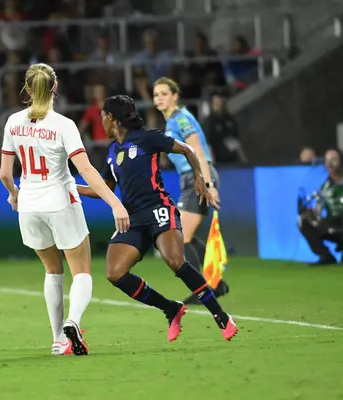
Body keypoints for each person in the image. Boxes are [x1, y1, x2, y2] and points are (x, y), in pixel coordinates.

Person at [77, 95, 238, 342]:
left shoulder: (147, 138)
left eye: (103, 118)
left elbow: (188, 149)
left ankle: (221, 316)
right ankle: (170, 308)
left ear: (112, 118)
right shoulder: (112, 152)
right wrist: (71, 188)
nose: (102, 124)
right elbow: (103, 190)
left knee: (174, 260)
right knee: (114, 272)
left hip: (158, 210)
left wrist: (199, 179)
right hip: (132, 219)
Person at [0, 63, 129, 356]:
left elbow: (5, 173)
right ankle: (74, 322)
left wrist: (14, 195)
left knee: (51, 271)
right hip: (60, 202)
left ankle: (58, 339)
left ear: (28, 89)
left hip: (29, 205)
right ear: (55, 88)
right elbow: (86, 170)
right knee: (81, 271)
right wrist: (115, 202)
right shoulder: (63, 126)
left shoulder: (12, 122)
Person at [153, 77, 230, 305]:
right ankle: (215, 283)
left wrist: (208, 184)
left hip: (197, 177)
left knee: (180, 235)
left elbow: (196, 149)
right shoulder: (171, 123)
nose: (159, 98)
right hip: (191, 178)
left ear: (175, 96)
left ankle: (205, 289)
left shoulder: (182, 119)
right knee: (182, 234)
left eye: (164, 93)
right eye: (156, 94)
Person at [298, 149, 343, 265]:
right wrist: (309, 213)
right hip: (332, 226)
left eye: (333, 160)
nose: (330, 163)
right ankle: (326, 256)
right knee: (304, 221)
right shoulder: (325, 186)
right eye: (327, 160)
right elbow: (318, 210)